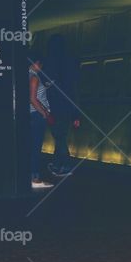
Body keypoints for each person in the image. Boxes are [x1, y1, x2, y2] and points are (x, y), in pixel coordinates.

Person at [43, 34, 81, 177]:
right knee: (61, 136)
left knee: (59, 136)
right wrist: (76, 113)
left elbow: (48, 87)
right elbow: (75, 89)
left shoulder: (50, 63)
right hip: (68, 107)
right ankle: (58, 163)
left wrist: (48, 111)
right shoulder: (71, 62)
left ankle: (64, 164)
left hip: (55, 107)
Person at [26, 56, 55, 190]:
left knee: (31, 147)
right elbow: (33, 99)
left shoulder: (24, 76)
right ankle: (35, 178)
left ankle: (30, 176)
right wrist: (45, 113)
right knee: (35, 148)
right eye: (40, 64)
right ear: (36, 63)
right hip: (37, 116)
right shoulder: (34, 77)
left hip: (31, 115)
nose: (41, 67)